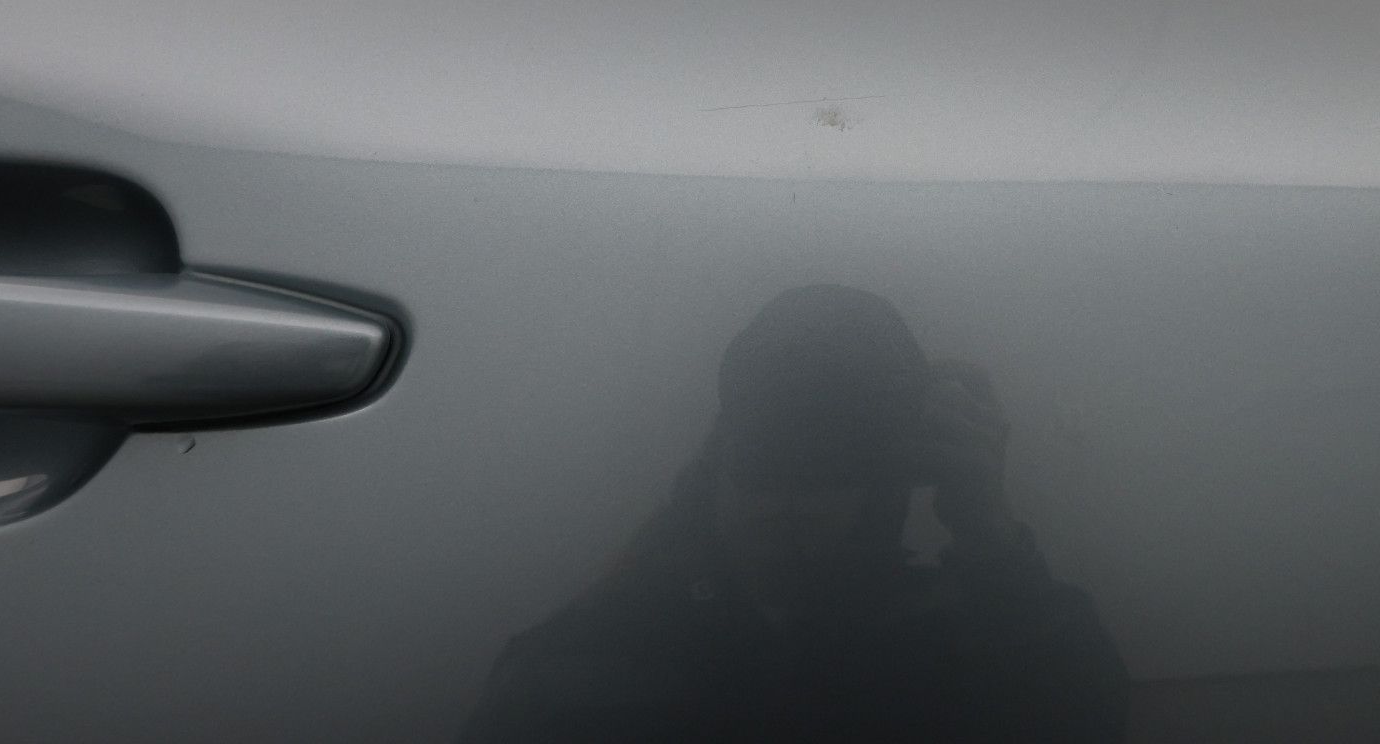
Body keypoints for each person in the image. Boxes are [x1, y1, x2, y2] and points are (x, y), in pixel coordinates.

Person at [459, 285, 1128, 743]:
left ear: (886, 479)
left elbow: (1085, 722)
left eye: (830, 458)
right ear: (723, 454)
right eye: (768, 447)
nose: (788, 495)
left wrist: (991, 533)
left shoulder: (959, 639)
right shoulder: (599, 655)